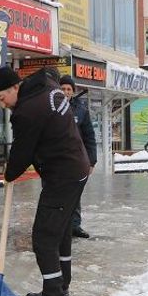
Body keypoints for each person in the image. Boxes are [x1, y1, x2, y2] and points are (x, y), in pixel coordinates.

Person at [0, 66, 90, 296]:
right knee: (60, 233)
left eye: (1, 97)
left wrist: (9, 174)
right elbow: (51, 73)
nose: (2, 104)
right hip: (74, 168)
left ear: (14, 87)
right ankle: (59, 288)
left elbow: (22, 153)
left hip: (63, 175)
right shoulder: (46, 85)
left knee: (43, 238)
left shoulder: (28, 111)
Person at [59, 75, 96, 239]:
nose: (66, 92)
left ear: (73, 92)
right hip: (56, 160)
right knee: (55, 195)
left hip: (75, 160)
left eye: (69, 89)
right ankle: (58, 226)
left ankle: (74, 226)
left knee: (74, 193)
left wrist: (91, 161)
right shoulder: (50, 107)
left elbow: (89, 136)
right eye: (63, 88)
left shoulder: (81, 109)